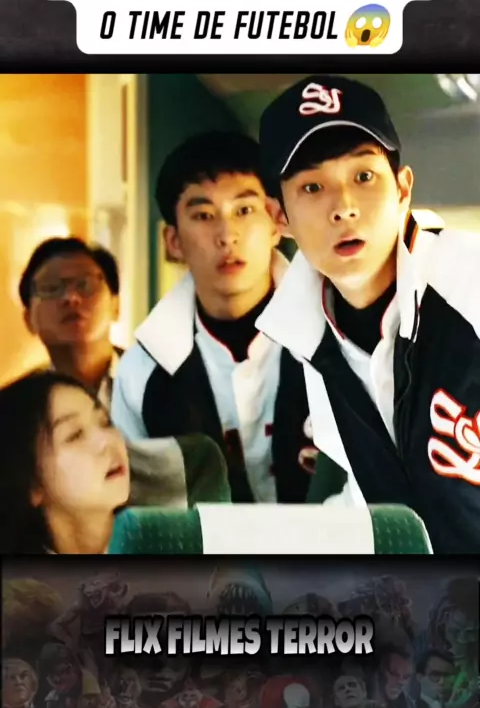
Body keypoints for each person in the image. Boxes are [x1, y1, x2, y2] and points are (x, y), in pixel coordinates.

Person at [256, 74, 480, 553]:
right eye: (312, 186)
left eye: (363, 177)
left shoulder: (469, 286)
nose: (344, 207)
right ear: (280, 218)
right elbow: (372, 499)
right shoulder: (308, 337)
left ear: (402, 189)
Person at [112, 130, 313, 504]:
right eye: (203, 215)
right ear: (173, 241)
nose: (227, 235)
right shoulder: (143, 372)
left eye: (244, 210)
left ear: (277, 222)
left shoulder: (335, 336)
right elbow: (139, 510)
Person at [0, 370, 229, 555]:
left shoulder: (175, 539)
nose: (106, 441)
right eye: (75, 435)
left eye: (105, 422)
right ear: (31, 484)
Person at [19, 237, 122, 410]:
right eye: (51, 288)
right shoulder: (14, 409)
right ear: (29, 319)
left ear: (116, 306)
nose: (70, 298)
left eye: (84, 284)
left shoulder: (163, 385)